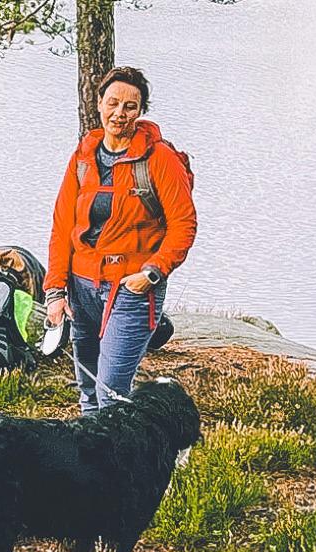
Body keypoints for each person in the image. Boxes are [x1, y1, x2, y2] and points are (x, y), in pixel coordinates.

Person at [43, 66, 198, 414]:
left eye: (130, 106)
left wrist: (152, 274)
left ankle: (122, 465)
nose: (119, 113)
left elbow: (183, 224)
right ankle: (91, 467)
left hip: (131, 289)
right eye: (112, 103)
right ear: (98, 103)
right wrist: (55, 290)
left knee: (110, 390)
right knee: (87, 389)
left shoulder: (159, 160)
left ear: (141, 110)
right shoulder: (84, 157)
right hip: (81, 288)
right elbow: (62, 226)